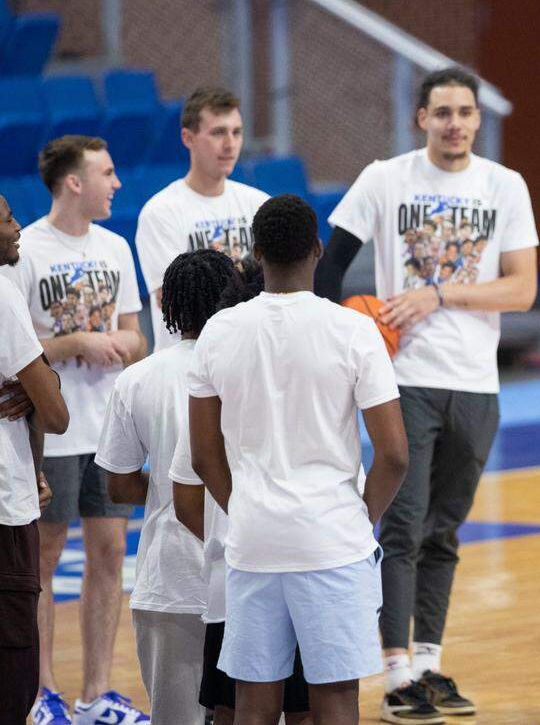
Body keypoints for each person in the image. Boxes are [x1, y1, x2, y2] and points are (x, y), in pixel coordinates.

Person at [315, 65, 538, 724]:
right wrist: (343, 335)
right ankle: (394, 674)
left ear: (476, 118)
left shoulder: (506, 185)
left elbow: (522, 288)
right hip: (402, 379)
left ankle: (431, 662)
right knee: (404, 527)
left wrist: (438, 293)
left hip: (476, 380)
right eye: (442, 112)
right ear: (421, 118)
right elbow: (327, 267)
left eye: (465, 112)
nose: (455, 124)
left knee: (445, 531)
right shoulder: (386, 178)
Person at [188, 194, 409, 724]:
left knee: (253, 703)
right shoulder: (354, 330)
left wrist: (241, 506)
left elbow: (202, 455)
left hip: (254, 539)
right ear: (317, 249)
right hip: (332, 539)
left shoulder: (219, 331)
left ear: (256, 252)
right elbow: (395, 454)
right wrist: (362, 515)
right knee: (333, 698)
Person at [0, 136, 150, 725]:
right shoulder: (26, 249)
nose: (116, 183)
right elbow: (14, 345)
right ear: (73, 182)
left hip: (108, 426)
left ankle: (95, 692)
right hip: (53, 432)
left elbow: (138, 335)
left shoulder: (115, 246)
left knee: (110, 553)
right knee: (42, 558)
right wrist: (76, 343)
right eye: (106, 173)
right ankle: (43, 692)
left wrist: (120, 344)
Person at [93, 249, 244, 724]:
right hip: (245, 574)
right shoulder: (251, 370)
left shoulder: (136, 378)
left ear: (169, 307)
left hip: (169, 581)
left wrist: (166, 488)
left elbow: (118, 485)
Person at [169, 253, 313, 725]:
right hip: (306, 570)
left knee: (239, 708)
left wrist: (237, 518)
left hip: (239, 576)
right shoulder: (312, 383)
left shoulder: (217, 380)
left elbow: (189, 495)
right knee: (305, 706)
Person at [0, 192, 70, 723]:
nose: (18, 225)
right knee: (13, 680)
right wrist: (46, 379)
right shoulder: (3, 293)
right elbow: (56, 411)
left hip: (17, 482)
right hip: (5, 506)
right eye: (6, 219)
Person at [135, 86, 269, 352]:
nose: (230, 144)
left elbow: (278, 286)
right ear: (188, 137)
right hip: (190, 362)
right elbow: (173, 299)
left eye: (236, 132)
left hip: (250, 353)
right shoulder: (161, 211)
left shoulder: (259, 203)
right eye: (218, 132)